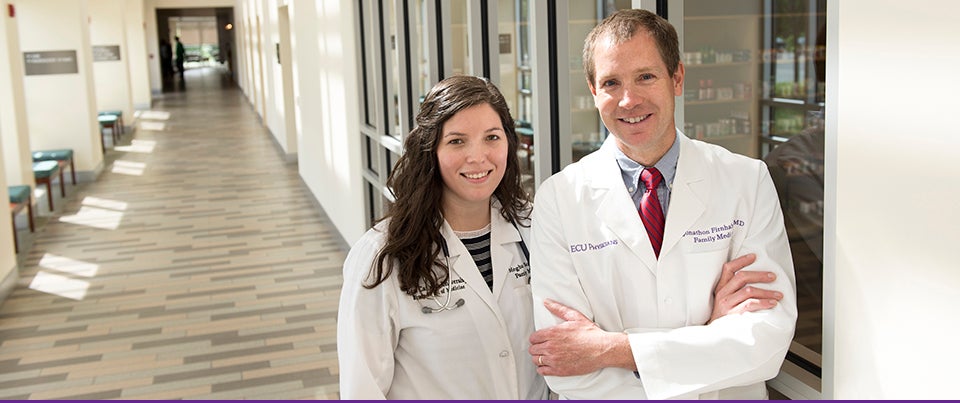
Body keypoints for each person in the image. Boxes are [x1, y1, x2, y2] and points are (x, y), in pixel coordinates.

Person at [527, 9, 797, 400]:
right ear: (593, 91)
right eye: (611, 82)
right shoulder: (558, 199)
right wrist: (710, 335)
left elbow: (765, 342)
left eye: (646, 77)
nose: (629, 99)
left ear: (677, 78)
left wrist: (611, 349)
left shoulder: (745, 180)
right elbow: (565, 364)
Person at [336, 75, 548, 399]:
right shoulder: (382, 257)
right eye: (457, 141)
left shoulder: (536, 228)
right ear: (429, 149)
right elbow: (361, 388)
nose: (478, 157)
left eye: (492, 137)